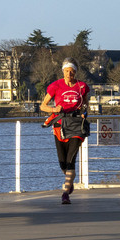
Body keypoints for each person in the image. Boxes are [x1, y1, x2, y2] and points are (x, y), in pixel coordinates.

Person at [40, 60, 90, 204]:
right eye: (67, 71)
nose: (69, 73)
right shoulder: (55, 86)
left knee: (70, 160)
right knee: (63, 163)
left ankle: (65, 193)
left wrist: (84, 112)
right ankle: (70, 181)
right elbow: (43, 106)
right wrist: (54, 109)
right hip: (60, 126)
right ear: (63, 71)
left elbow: (86, 104)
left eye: (72, 71)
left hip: (76, 126)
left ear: (75, 72)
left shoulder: (82, 86)